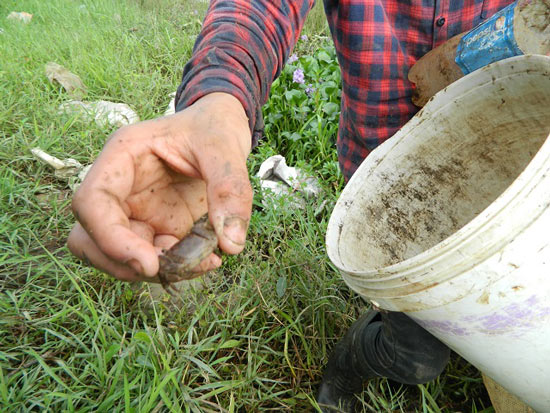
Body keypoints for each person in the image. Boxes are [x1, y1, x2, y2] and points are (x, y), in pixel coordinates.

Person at [67, 0, 514, 411]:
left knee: (502, 323)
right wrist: (220, 101)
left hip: (514, 174)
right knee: (418, 358)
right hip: (384, 189)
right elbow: (258, 9)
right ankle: (356, 358)